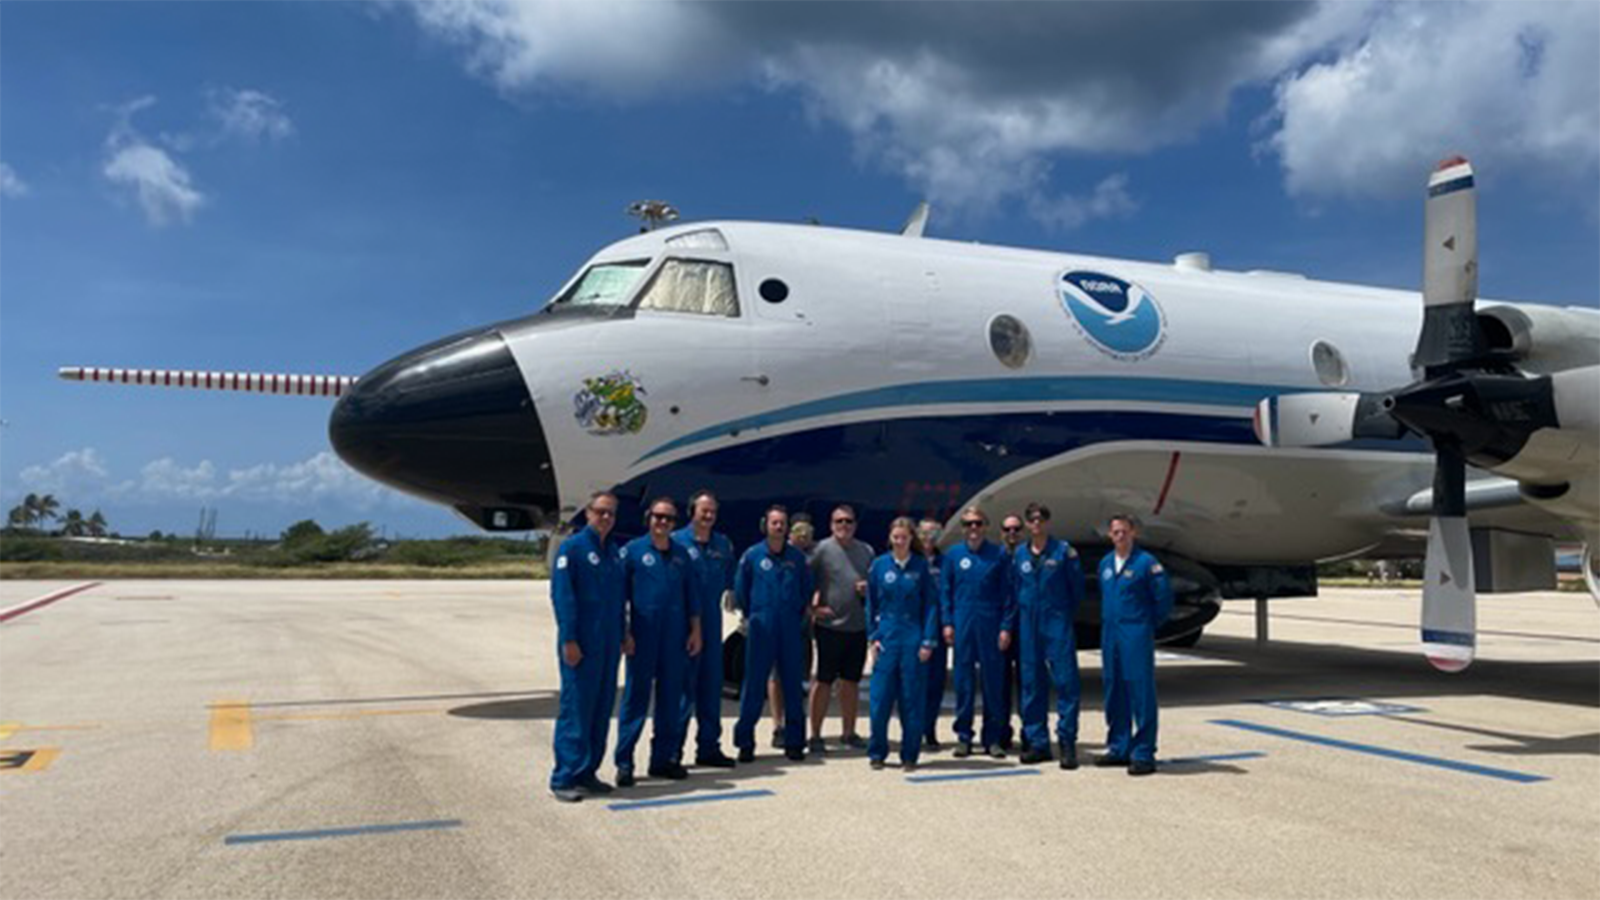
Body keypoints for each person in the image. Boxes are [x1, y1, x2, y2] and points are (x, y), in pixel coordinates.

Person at [614, 497, 703, 786]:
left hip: (675, 637)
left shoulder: (682, 555)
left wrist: (695, 630)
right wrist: (624, 632)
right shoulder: (632, 552)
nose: (663, 522)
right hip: (642, 636)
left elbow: (692, 597)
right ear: (648, 518)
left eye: (669, 518)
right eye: (658, 517)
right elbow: (619, 598)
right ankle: (625, 762)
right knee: (636, 699)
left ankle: (662, 760)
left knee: (670, 701)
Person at [548, 491, 627, 803]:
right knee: (576, 710)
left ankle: (587, 772)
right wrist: (569, 639)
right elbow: (563, 598)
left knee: (600, 710)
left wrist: (624, 633)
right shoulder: (573, 549)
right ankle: (563, 776)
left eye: (610, 513)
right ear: (589, 514)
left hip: (608, 644)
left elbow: (619, 601)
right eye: (600, 512)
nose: (605, 518)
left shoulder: (614, 552)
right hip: (581, 643)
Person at [1003, 502, 1085, 769]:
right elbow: (1013, 592)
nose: (1036, 523)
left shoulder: (1063, 552)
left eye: (1041, 519)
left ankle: (1067, 742)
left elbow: (1077, 591)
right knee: (1030, 684)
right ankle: (1038, 742)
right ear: (1027, 524)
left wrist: (1059, 614)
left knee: (1066, 683)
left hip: (1056, 622)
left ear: (1047, 522)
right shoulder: (1020, 556)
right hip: (1028, 625)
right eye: (1032, 519)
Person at [733, 505, 815, 763]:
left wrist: (796, 614)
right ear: (765, 525)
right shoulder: (752, 556)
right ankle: (745, 742)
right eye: (774, 523)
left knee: (792, 685)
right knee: (754, 686)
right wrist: (754, 615)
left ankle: (795, 741)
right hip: (762, 626)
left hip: (790, 626)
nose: (778, 527)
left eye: (782, 523)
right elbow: (741, 590)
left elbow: (806, 589)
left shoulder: (797, 558)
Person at [1095, 514, 1174, 777]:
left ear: (1134, 533)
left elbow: (1162, 600)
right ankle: (1119, 747)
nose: (1120, 536)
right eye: (1115, 532)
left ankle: (1143, 753)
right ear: (1110, 535)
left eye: (1124, 532)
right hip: (1110, 634)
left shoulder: (1146, 563)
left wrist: (1146, 625)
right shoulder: (1106, 564)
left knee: (1140, 692)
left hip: (1135, 633)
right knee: (1113, 688)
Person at [866, 517, 939, 771]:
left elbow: (931, 605)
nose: (899, 541)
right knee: (879, 700)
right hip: (886, 638)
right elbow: (871, 604)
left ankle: (909, 755)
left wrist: (928, 641)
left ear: (911, 539)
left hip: (912, 637)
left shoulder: (921, 567)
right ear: (890, 538)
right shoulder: (879, 566)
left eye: (904, 537)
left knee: (911, 700)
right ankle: (877, 752)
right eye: (896, 537)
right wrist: (873, 636)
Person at [672, 490, 738, 768]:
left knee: (711, 689)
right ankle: (672, 750)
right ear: (692, 512)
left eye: (712, 511)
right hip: (681, 624)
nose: (708, 516)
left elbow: (732, 580)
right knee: (682, 691)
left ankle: (708, 748)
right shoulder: (676, 542)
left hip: (711, 623)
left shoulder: (721, 544)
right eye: (703, 511)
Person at [940, 507, 1011, 758]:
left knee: (993, 684)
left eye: (978, 524)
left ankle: (992, 738)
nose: (973, 529)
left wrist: (1005, 627)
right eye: (969, 524)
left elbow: (1007, 595)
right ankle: (963, 737)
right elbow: (945, 592)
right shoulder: (953, 555)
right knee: (963, 683)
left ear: (985, 527)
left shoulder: (998, 554)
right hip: (963, 624)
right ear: (962, 528)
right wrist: (947, 622)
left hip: (990, 625)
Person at [806, 505, 874, 753]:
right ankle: (815, 735)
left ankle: (849, 732)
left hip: (857, 627)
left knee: (851, 682)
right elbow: (802, 578)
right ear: (831, 524)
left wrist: (868, 589)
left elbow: (875, 584)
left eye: (848, 521)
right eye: (838, 521)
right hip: (830, 627)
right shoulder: (821, 549)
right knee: (822, 681)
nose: (843, 526)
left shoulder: (866, 551)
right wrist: (812, 609)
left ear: (855, 524)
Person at [769, 514, 818, 747]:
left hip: (803, 626)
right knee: (776, 676)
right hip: (779, 624)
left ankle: (795, 724)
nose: (802, 535)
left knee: (801, 678)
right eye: (798, 530)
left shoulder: (814, 557)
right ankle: (777, 725)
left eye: (807, 531)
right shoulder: (779, 553)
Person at [917, 518, 949, 750]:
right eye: (924, 533)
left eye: (934, 533)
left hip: (937, 629)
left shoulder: (946, 562)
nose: (929, 537)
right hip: (914, 629)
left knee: (936, 682)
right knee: (913, 681)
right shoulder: (911, 561)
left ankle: (929, 728)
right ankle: (914, 727)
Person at [997, 513, 1025, 751]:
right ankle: (1002, 732)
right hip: (1001, 629)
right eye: (1007, 530)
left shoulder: (1030, 556)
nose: (1012, 534)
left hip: (1026, 628)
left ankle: (1030, 733)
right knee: (1000, 684)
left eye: (1016, 529)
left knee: (1028, 683)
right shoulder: (996, 557)